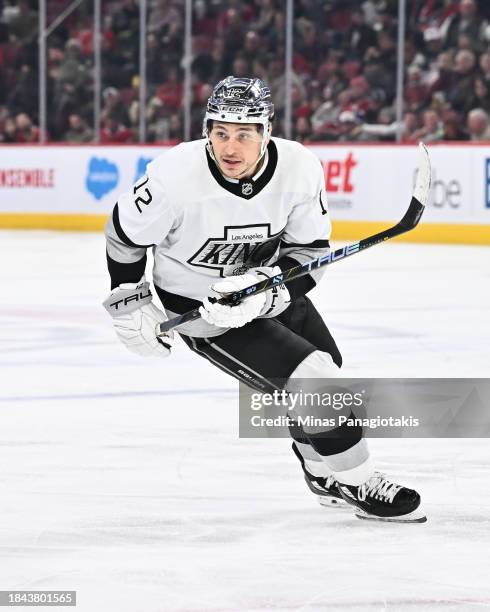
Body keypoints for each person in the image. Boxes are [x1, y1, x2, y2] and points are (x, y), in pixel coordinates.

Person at [103, 76, 425, 523]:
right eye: (219, 133)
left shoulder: (299, 167)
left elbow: (310, 254)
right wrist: (131, 301)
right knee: (318, 384)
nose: (229, 148)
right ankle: (360, 482)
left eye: (243, 134)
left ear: (266, 131)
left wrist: (268, 290)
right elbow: (122, 237)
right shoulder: (175, 177)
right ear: (206, 131)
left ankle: (323, 473)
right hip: (201, 311)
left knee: (326, 371)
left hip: (268, 290)